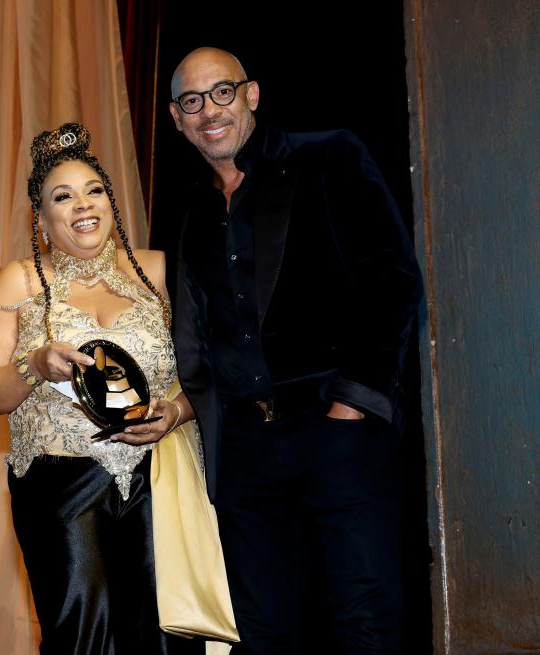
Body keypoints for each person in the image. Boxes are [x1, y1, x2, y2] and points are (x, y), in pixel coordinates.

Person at [167, 47, 424, 654]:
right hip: (247, 455)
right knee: (266, 633)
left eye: (222, 92)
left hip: (334, 430)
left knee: (365, 620)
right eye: (191, 101)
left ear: (251, 95)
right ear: (177, 119)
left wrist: (351, 407)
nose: (209, 111)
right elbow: (198, 334)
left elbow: (393, 281)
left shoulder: (327, 155)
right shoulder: (191, 211)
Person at [0, 122, 204, 654]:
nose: (83, 206)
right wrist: (35, 362)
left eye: (94, 190)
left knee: (167, 633)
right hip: (59, 485)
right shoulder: (19, 280)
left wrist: (176, 411)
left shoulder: (158, 269)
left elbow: (213, 373)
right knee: (82, 634)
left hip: (159, 480)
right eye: (63, 196)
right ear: (41, 219)